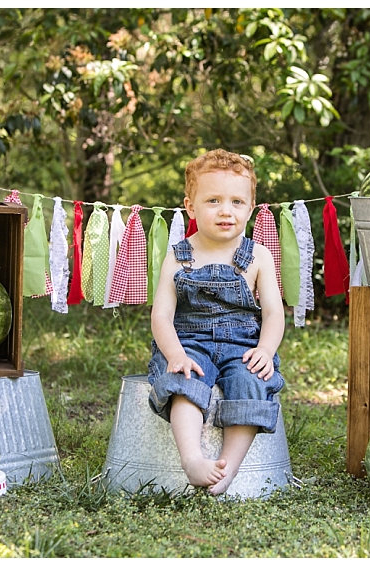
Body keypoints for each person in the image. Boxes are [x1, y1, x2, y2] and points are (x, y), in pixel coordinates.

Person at [147, 149, 285, 495]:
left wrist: (266, 350)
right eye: (213, 200)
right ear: (191, 207)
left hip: (242, 345)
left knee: (251, 382)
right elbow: (161, 315)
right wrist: (176, 354)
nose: (226, 210)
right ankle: (192, 458)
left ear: (250, 207)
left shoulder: (257, 255)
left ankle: (227, 469)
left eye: (237, 201)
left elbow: (273, 312)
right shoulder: (179, 255)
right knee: (186, 382)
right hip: (189, 341)